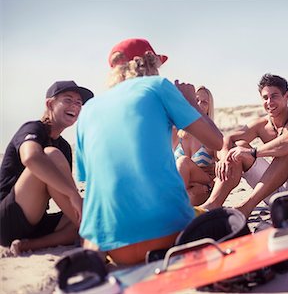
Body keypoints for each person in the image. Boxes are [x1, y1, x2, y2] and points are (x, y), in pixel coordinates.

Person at [76, 38, 223, 265]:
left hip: (115, 249)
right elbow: (217, 141)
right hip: (168, 237)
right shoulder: (159, 87)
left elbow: (91, 180)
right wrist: (191, 102)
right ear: (150, 62)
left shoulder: (88, 111)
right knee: (223, 221)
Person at [200, 73, 288, 218]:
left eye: (274, 96)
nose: (269, 102)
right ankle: (213, 204)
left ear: (286, 96)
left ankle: (246, 207)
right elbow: (228, 138)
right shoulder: (262, 124)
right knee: (237, 148)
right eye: (265, 98)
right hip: (270, 189)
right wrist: (223, 158)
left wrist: (253, 152)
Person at [0, 81, 93, 255]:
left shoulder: (64, 146)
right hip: (6, 220)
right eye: (68, 100)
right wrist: (73, 195)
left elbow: (66, 192)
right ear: (50, 104)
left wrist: (79, 202)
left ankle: (28, 245)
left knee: (90, 207)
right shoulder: (33, 128)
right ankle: (93, 232)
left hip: (35, 221)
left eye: (79, 103)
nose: (74, 106)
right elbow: (31, 157)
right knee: (50, 155)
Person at [173, 86, 218, 206]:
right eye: (196, 100)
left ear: (209, 108)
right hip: (182, 190)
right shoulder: (175, 132)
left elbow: (225, 173)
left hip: (201, 190)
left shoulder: (213, 137)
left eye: (204, 102)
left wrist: (208, 186)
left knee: (183, 161)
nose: (199, 104)